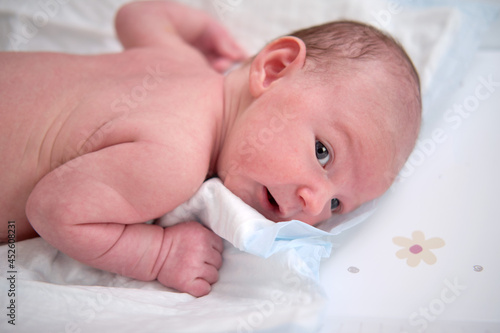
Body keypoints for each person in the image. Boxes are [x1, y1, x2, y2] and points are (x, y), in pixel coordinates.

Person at [0, 1, 421, 297]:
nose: (313, 208)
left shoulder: (179, 58)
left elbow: (137, 14)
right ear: (274, 71)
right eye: (323, 152)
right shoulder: (173, 160)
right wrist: (158, 254)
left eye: (336, 204)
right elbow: (54, 210)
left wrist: (200, 30)